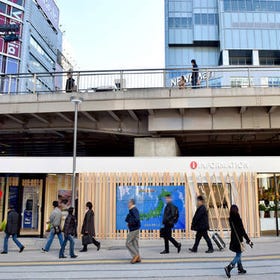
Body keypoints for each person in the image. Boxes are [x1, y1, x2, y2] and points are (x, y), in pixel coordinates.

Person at [224, 205, 253, 278]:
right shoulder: (238, 219)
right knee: (238, 255)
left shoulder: (230, 219)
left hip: (233, 239)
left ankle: (240, 268)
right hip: (238, 240)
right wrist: (248, 240)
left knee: (238, 253)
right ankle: (229, 267)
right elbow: (242, 231)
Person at [125, 199, 141, 264]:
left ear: (131, 203)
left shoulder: (133, 209)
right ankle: (138, 257)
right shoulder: (132, 210)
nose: (127, 204)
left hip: (134, 229)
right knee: (134, 243)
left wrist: (129, 223)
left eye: (128, 202)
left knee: (128, 243)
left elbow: (136, 219)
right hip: (135, 228)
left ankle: (135, 255)